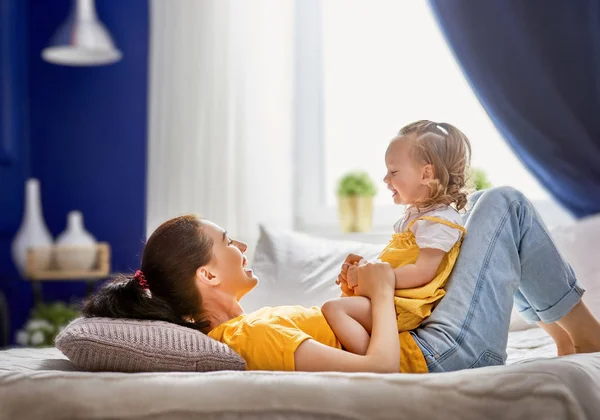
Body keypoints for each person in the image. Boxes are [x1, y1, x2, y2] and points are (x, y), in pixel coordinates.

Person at [82, 182, 600, 373]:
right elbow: (381, 372)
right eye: (228, 242)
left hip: (429, 341)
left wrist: (365, 297)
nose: (240, 248)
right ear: (208, 273)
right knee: (503, 203)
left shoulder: (247, 328)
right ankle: (582, 333)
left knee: (490, 205)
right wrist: (377, 293)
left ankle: (566, 336)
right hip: (438, 355)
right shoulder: (251, 336)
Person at [322, 120, 470, 356]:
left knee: (335, 309)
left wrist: (371, 277)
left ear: (426, 174)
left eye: (393, 172)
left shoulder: (438, 222)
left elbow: (422, 272)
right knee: (333, 310)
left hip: (405, 306)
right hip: (390, 300)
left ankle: (377, 362)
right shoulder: (418, 217)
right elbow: (400, 261)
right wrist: (361, 273)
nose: (385, 179)